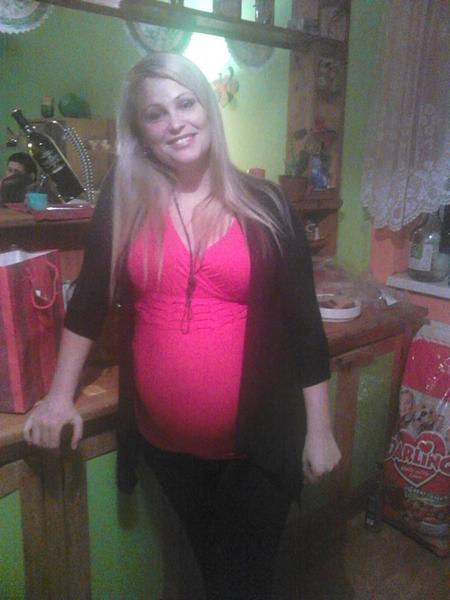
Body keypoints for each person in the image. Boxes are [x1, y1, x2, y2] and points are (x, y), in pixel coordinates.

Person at [23, 53, 341, 599]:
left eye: (186, 103)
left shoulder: (266, 203)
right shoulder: (124, 199)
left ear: (208, 108)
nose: (175, 122)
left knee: (242, 584)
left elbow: (303, 323)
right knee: (209, 569)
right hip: (166, 449)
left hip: (258, 446)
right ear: (141, 132)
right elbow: (89, 300)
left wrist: (321, 429)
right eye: (156, 113)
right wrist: (57, 398)